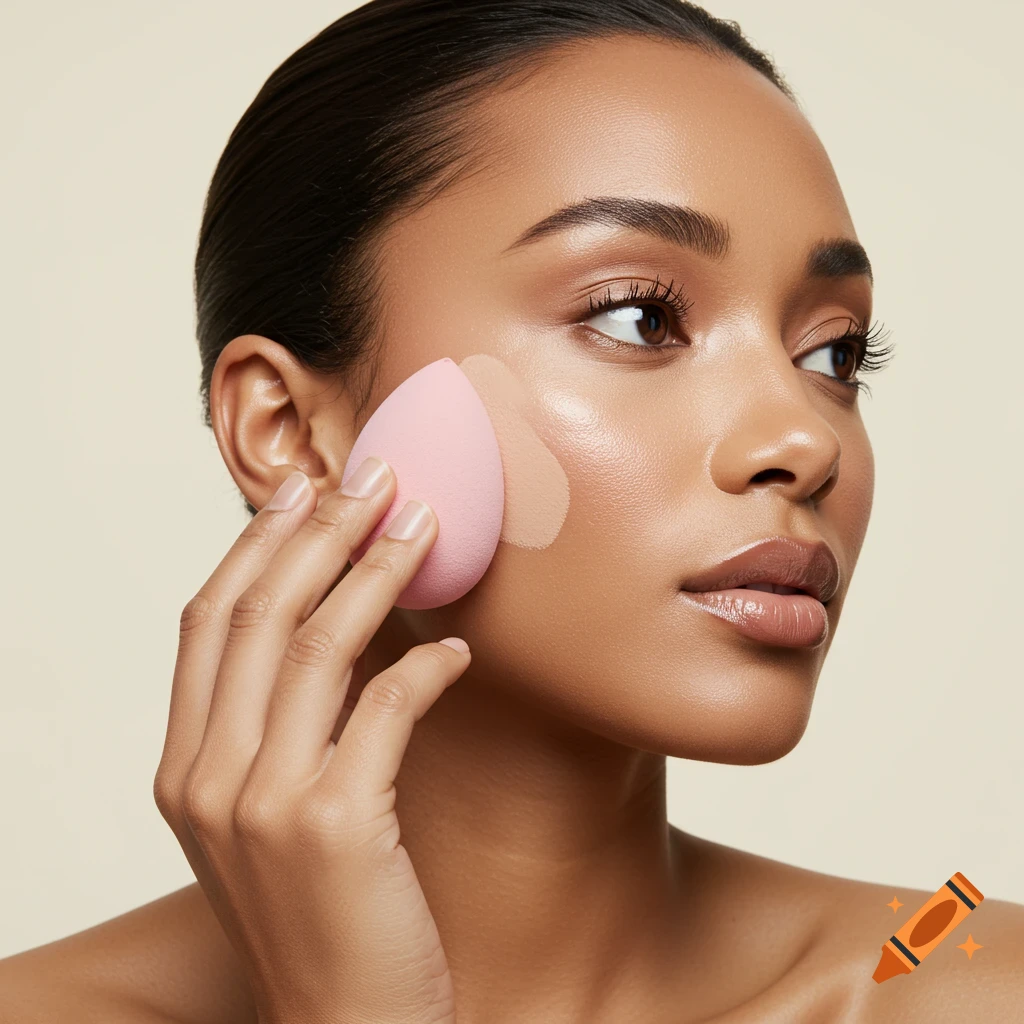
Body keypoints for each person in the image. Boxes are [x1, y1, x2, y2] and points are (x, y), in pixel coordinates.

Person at [2, 1, 1021, 1021]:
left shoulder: (966, 978)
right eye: (641, 317)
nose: (804, 440)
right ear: (290, 431)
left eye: (834, 352)